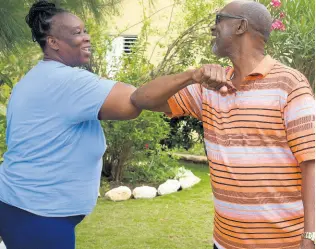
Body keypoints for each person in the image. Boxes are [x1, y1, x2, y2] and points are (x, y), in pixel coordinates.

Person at [0, 1, 228, 249]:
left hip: (21, 206)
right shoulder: (68, 81)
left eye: (85, 30)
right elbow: (134, 101)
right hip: (40, 215)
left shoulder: (34, 78)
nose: (87, 38)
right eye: (77, 33)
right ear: (53, 42)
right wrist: (192, 76)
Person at [131, 1, 315, 249]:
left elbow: (310, 162)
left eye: (219, 19)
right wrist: (191, 75)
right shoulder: (208, 88)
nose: (212, 27)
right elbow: (141, 98)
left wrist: (310, 235)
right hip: (225, 242)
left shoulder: (290, 84)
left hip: (282, 243)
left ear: (240, 26)